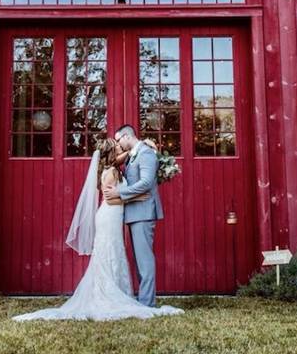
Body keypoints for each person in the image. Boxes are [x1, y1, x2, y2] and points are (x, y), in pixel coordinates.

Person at [12, 133, 181, 322]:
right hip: (109, 217)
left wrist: (144, 145)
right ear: (111, 154)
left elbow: (126, 161)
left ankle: (118, 292)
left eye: (120, 145)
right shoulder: (109, 172)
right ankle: (106, 294)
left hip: (116, 217)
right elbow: (110, 198)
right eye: (117, 148)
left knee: (114, 254)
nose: (120, 148)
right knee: (108, 254)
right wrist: (136, 196)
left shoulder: (115, 167)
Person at [102, 124, 165, 307]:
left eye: (119, 139)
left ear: (127, 136)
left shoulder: (145, 153)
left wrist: (120, 194)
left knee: (144, 260)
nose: (119, 144)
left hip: (143, 212)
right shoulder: (132, 155)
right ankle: (144, 300)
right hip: (134, 212)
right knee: (139, 260)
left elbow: (146, 182)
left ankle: (147, 304)